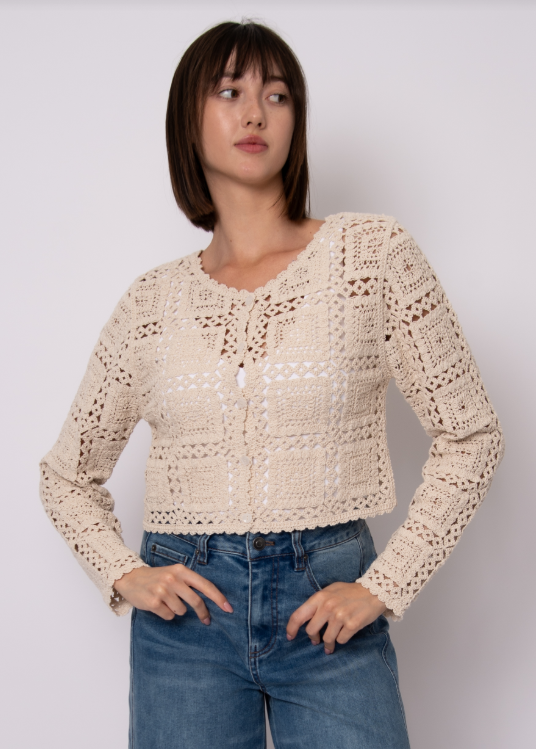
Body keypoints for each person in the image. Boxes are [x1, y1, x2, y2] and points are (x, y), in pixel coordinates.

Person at [39, 19, 505, 749]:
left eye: (278, 95)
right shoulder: (151, 304)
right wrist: (125, 573)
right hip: (184, 624)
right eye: (230, 92)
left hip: (326, 605)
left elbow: (471, 433)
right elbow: (66, 475)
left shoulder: (372, 256)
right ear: (188, 120)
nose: (255, 112)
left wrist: (384, 584)